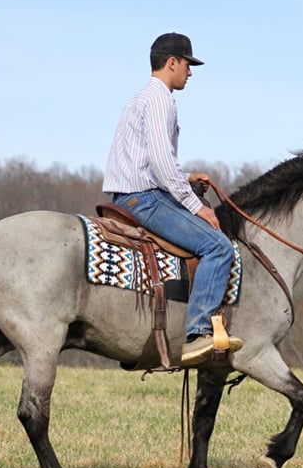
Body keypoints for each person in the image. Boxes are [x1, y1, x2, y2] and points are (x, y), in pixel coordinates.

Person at [103, 32, 243, 366]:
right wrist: (198, 207)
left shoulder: (139, 99)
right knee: (218, 246)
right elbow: (163, 165)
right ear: (172, 63)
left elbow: (148, 162)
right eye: (187, 65)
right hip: (145, 200)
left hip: (127, 194)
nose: (190, 73)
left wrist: (186, 178)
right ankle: (197, 334)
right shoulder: (160, 100)